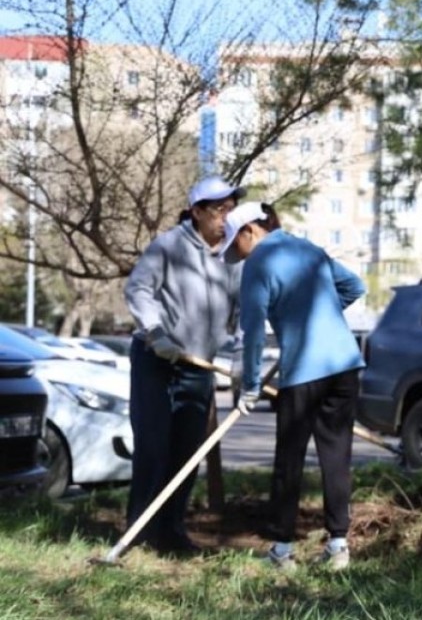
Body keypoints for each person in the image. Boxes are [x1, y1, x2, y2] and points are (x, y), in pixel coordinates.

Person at [220, 202, 366, 572]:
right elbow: (355, 286)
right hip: (345, 364)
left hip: (304, 371)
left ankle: (282, 551)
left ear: (248, 231)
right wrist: (321, 316)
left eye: (234, 244)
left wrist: (250, 386)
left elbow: (252, 332)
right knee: (337, 456)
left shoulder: (258, 264)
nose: (236, 254)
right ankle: (338, 547)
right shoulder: (310, 249)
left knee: (290, 459)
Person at [123, 175, 246, 554]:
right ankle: (139, 535)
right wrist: (155, 331)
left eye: (230, 209)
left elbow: (244, 311)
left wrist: (243, 358)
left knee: (187, 454)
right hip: (156, 361)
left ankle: (171, 533)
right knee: (154, 448)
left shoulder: (232, 256)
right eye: (218, 209)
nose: (226, 217)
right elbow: (138, 288)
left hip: (199, 368)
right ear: (196, 212)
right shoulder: (169, 246)